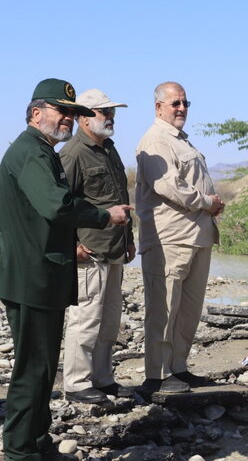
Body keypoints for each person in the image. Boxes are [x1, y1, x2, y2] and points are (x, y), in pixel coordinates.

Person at [0, 78, 132, 460]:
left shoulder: (40, 150)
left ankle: (38, 443)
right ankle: (21, 451)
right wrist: (104, 216)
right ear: (35, 112)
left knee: (41, 369)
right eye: (62, 112)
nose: (68, 120)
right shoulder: (31, 152)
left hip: (41, 276)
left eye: (73, 114)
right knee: (31, 371)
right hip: (33, 278)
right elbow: (56, 205)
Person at [136, 82, 224, 394]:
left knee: (188, 310)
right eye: (175, 103)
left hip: (197, 236)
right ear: (158, 107)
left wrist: (208, 206)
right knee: (164, 308)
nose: (182, 108)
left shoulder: (181, 140)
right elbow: (168, 186)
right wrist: (207, 202)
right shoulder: (156, 139)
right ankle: (157, 376)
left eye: (186, 103)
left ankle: (179, 368)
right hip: (169, 238)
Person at [59, 88, 135, 404]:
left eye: (111, 111)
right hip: (89, 251)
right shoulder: (73, 153)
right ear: (84, 117)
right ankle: (77, 383)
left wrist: (129, 240)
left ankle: (102, 378)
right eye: (103, 111)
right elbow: (60, 205)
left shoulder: (109, 149)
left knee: (109, 320)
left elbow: (120, 199)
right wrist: (71, 245)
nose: (109, 116)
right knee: (85, 319)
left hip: (114, 249)